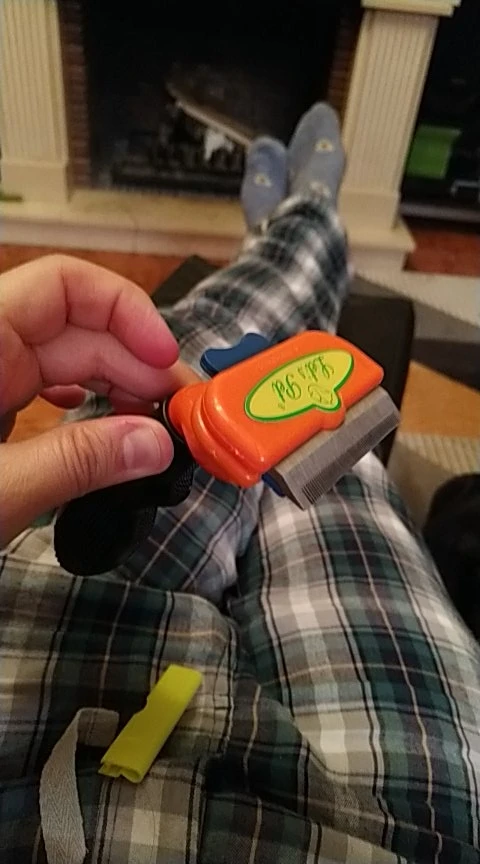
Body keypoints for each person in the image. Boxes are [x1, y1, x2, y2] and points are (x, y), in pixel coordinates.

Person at [0, 105, 479, 864]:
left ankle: (286, 231)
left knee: (206, 342)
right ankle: (308, 214)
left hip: (38, 621)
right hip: (379, 826)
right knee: (336, 474)